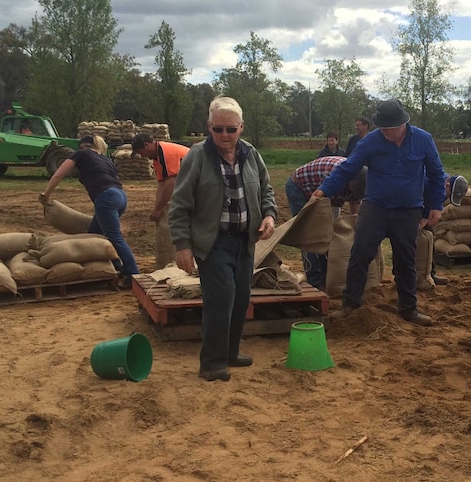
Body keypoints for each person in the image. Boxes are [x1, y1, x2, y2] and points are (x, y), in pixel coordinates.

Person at [168, 96, 277, 382]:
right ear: (209, 126)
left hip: (244, 242)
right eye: (218, 129)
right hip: (213, 243)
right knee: (220, 301)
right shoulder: (197, 157)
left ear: (241, 127)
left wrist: (268, 216)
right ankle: (212, 363)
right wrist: (182, 245)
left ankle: (230, 353)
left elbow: (267, 190)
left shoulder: (251, 154)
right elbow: (179, 205)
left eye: (231, 129)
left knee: (240, 299)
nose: (224, 135)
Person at [313, 99, 446, 326]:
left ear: (403, 123)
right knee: (360, 253)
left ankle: (409, 308)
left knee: (406, 259)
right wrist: (323, 190)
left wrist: (435, 205)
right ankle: (350, 304)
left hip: (408, 210)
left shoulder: (423, 140)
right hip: (376, 207)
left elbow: (436, 174)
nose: (386, 133)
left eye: (390, 129)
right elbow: (347, 168)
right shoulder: (371, 141)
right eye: (382, 128)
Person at [39, 135, 140, 289]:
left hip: (105, 198)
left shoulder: (81, 153)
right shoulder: (105, 159)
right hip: (120, 197)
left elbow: (59, 174)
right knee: (93, 234)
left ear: (83, 146)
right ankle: (115, 268)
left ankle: (132, 274)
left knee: (114, 237)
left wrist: (46, 194)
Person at [286, 156, 367, 292]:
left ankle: (325, 277)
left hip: (325, 196)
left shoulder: (361, 182)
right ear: (349, 180)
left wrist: (355, 225)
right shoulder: (334, 175)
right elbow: (321, 204)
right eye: (353, 188)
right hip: (300, 189)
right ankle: (315, 281)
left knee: (328, 236)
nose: (354, 191)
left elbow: (355, 204)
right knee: (310, 235)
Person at [131, 133, 191, 270]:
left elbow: (171, 183)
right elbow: (162, 185)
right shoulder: (157, 159)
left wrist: (159, 209)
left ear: (147, 145)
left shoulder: (166, 153)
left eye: (141, 152)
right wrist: (156, 209)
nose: (142, 156)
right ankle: (167, 264)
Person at [422, 174, 468, 285]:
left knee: (429, 237)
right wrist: (422, 218)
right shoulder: (427, 181)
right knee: (405, 240)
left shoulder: (440, 186)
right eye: (449, 196)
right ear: (447, 185)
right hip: (408, 207)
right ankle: (401, 275)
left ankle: (429, 274)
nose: (446, 199)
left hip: (423, 209)